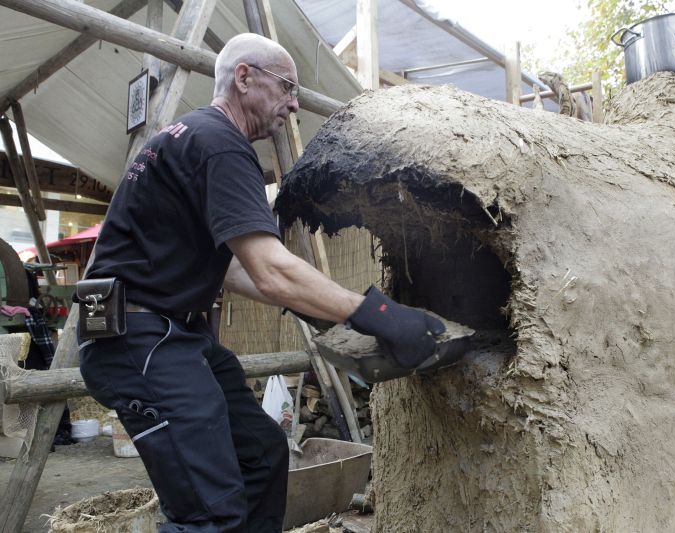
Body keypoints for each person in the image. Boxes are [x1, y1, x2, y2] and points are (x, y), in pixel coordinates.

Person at [78, 33, 445, 532]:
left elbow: (236, 268)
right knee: (210, 512)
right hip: (140, 340)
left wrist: (313, 304)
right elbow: (270, 269)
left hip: (171, 333)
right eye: (287, 86)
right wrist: (380, 314)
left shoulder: (190, 137)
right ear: (244, 77)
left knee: (262, 454)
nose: (294, 104)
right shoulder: (220, 145)